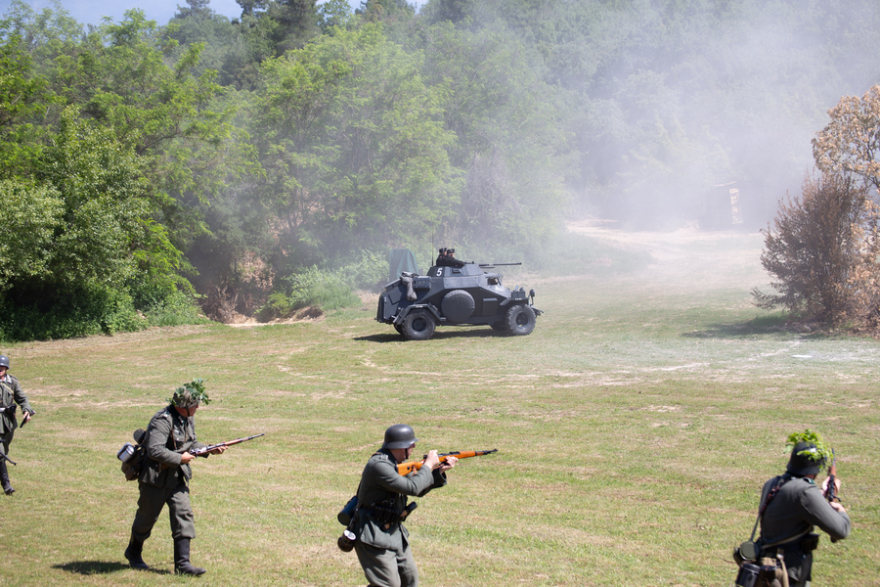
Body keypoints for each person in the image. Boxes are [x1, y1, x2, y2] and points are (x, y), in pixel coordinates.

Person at [124, 380, 226, 575]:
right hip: (155, 478)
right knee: (146, 518)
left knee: (183, 514)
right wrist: (179, 458)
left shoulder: (188, 418)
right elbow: (154, 450)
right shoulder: (162, 420)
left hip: (177, 477)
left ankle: (182, 564)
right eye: (195, 404)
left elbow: (191, 442)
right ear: (183, 407)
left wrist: (209, 450)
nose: (198, 407)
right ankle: (133, 551)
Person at [351, 424, 457, 587]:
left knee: (409, 580)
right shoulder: (379, 466)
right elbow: (413, 488)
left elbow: (417, 487)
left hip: (394, 532)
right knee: (388, 584)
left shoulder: (398, 463)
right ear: (400, 447)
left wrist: (439, 471)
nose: (414, 446)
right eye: (410, 444)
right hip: (372, 533)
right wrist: (428, 465)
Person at [755, 439, 851, 587]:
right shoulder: (804, 493)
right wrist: (841, 511)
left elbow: (792, 502)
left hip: (767, 566)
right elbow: (841, 530)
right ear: (816, 468)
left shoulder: (773, 483)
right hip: (788, 573)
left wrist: (821, 493)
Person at [0, 355, 35, 495]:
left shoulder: (12, 382)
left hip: (8, 422)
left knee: (4, 450)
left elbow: (22, 398)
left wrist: (26, 411)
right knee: (0, 453)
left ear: (7, 368)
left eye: (2, 367)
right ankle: (7, 486)